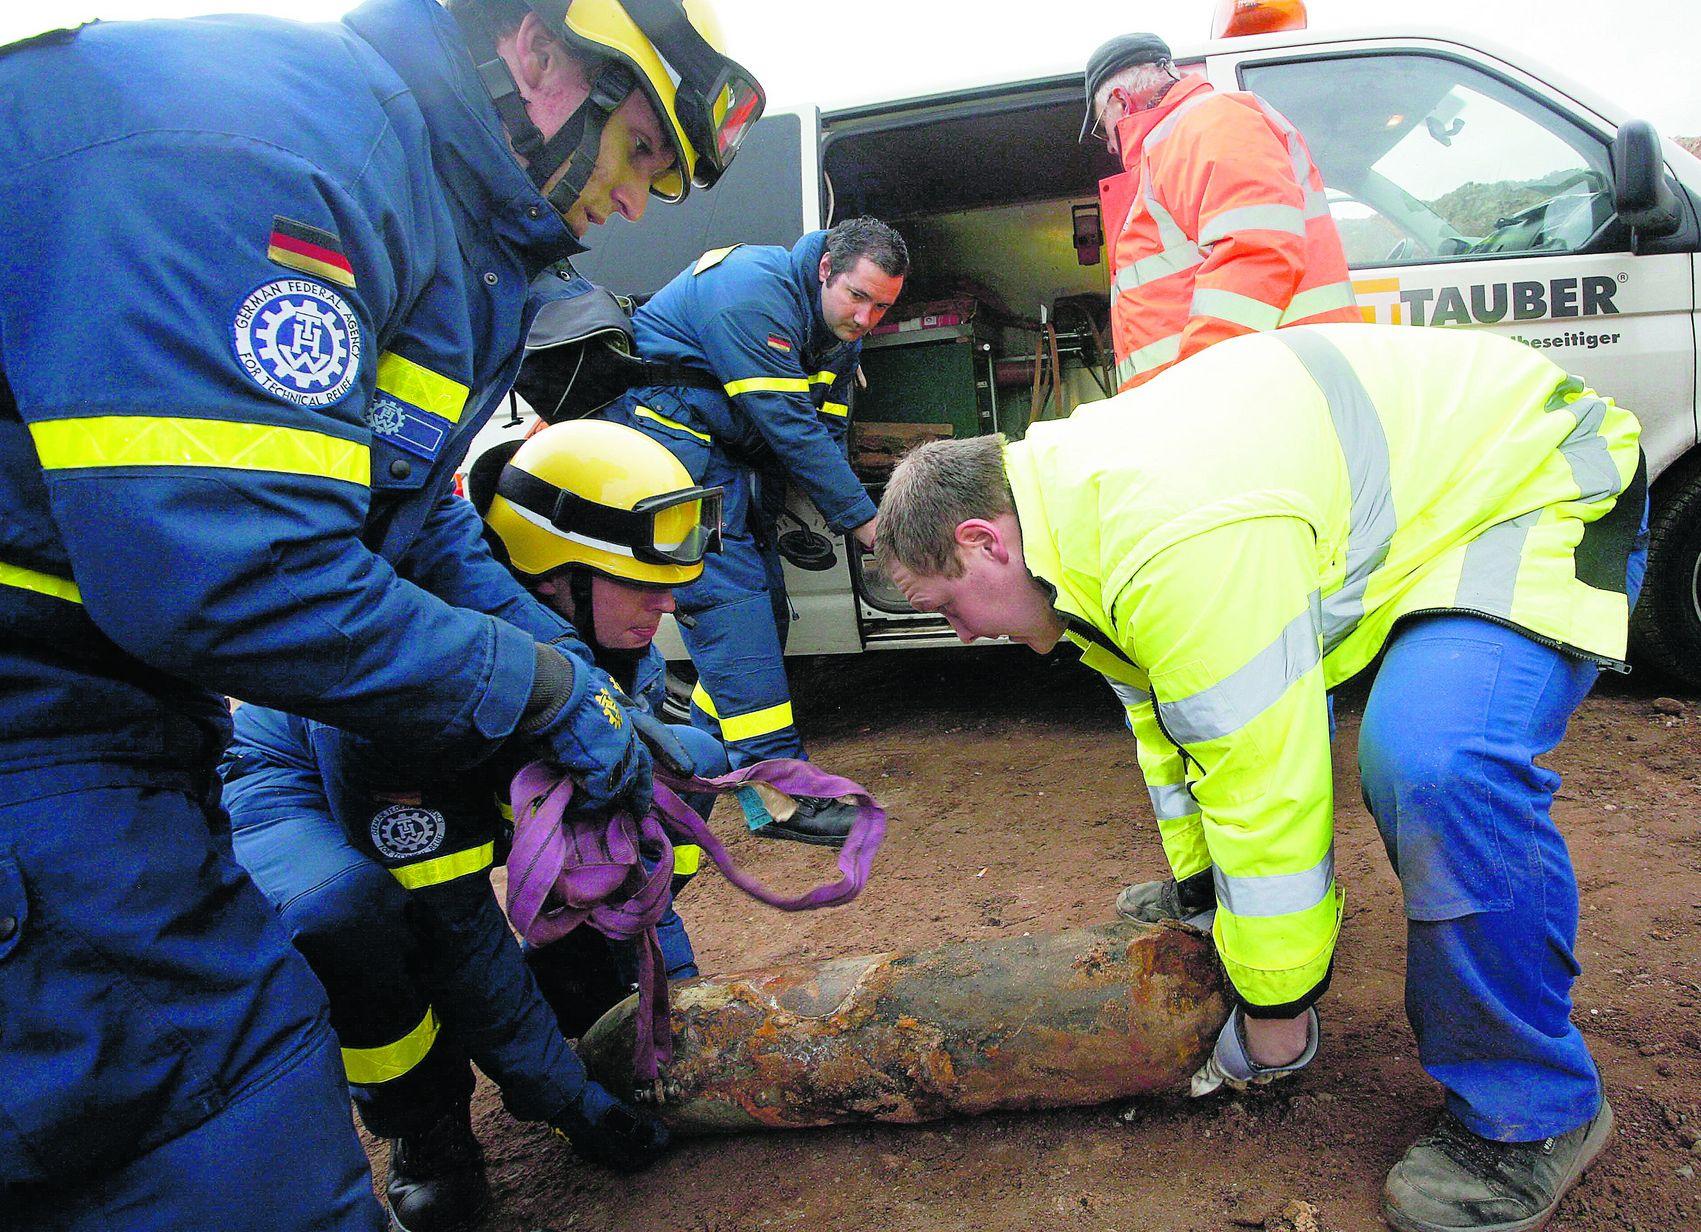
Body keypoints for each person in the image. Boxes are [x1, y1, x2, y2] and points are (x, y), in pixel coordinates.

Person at [0, 0, 762, 1227]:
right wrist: (571, 1099)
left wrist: (579, 683)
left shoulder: (440, 227)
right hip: (53, 742)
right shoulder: (274, 150)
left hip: (114, 728)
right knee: (305, 999)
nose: (631, 204)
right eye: (636, 155)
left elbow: (418, 518)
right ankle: (431, 1144)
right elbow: (232, 576)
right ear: (541, 52)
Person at [873, 324, 1647, 1232]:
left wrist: (1275, 1015)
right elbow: (1177, 724)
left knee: (1436, 761)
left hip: (1527, 482)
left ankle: (1534, 1113)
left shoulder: (1169, 537)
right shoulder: (1071, 520)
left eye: (945, 603)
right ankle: (1284, 929)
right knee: (1275, 735)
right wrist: (1202, 892)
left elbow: (1258, 775)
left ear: (982, 542)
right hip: (1423, 506)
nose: (961, 633)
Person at [220, 420, 726, 1231]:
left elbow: (641, 850)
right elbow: (460, 933)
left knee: (680, 768)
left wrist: (665, 980)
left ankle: (577, 981)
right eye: (640, 585)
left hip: (474, 770)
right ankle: (425, 1125)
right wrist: (561, 1101)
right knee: (354, 918)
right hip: (308, 783)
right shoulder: (397, 693)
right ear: (550, 580)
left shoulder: (597, 629)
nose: (669, 604)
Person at [597, 218, 908, 844]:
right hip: (675, 457)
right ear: (825, 269)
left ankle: (700, 771)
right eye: (859, 296)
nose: (868, 318)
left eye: (882, 306)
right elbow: (789, 426)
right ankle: (785, 799)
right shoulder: (750, 291)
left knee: (766, 615)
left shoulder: (836, 329)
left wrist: (839, 510)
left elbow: (827, 432)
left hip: (729, 466)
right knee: (733, 614)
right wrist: (868, 525)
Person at [1081, 33, 1360, 392]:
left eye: (1104, 128)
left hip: (1267, 392)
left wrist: (1200, 386)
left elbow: (1257, 254)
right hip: (1249, 393)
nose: (1111, 145)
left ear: (1122, 101)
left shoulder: (1209, 121)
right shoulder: (1174, 144)